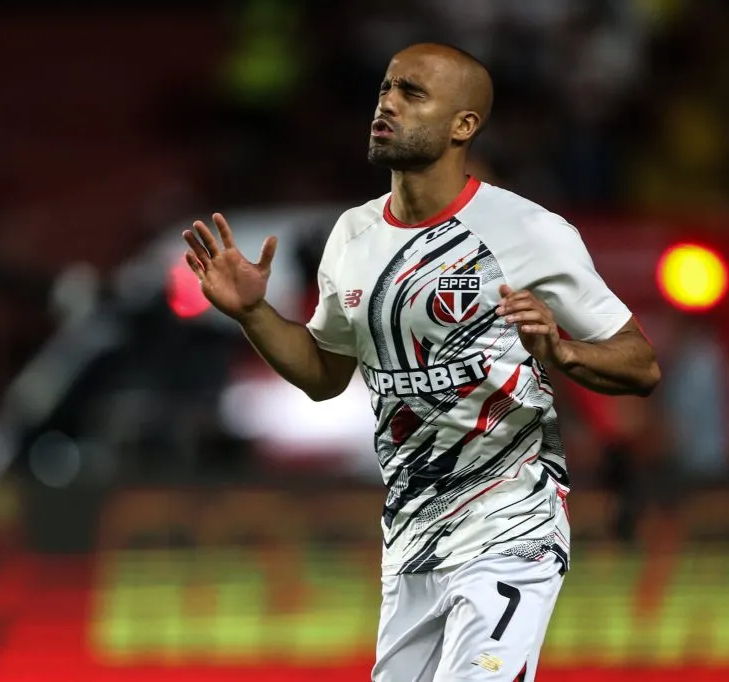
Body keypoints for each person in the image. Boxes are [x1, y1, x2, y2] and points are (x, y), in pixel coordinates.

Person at [183, 42, 659, 682]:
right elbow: (325, 375)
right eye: (385, 88)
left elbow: (640, 364)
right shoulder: (351, 237)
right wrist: (254, 313)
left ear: (464, 125)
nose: (387, 103)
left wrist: (559, 350)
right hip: (411, 541)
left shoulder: (527, 231)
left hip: (511, 525)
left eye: (413, 93)